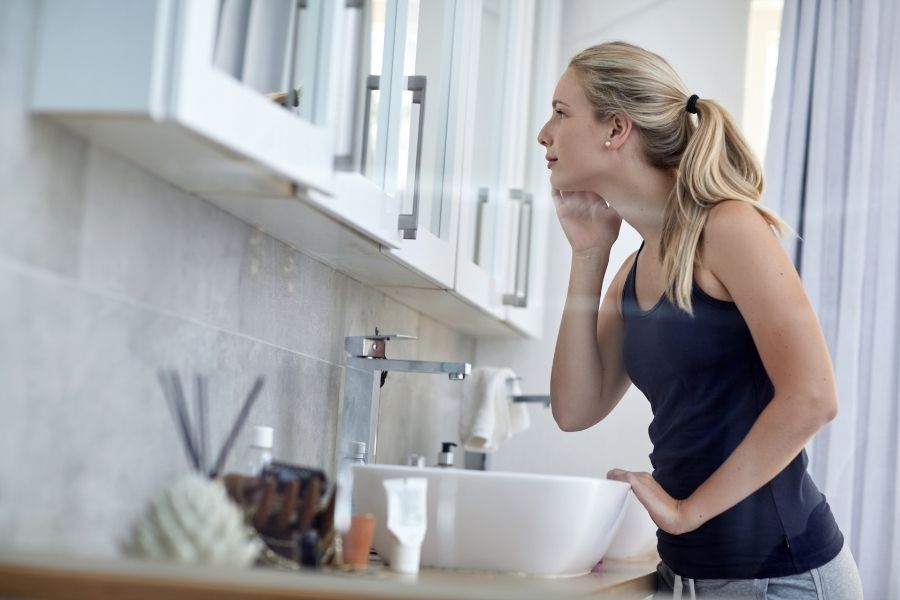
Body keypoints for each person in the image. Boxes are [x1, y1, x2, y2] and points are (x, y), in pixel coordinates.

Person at [539, 41, 864, 599]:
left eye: (562, 113)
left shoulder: (729, 228)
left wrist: (688, 513)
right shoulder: (634, 269)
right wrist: (588, 255)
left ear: (616, 129)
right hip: (693, 576)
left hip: (783, 578)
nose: (545, 133)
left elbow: (813, 397)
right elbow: (574, 409)